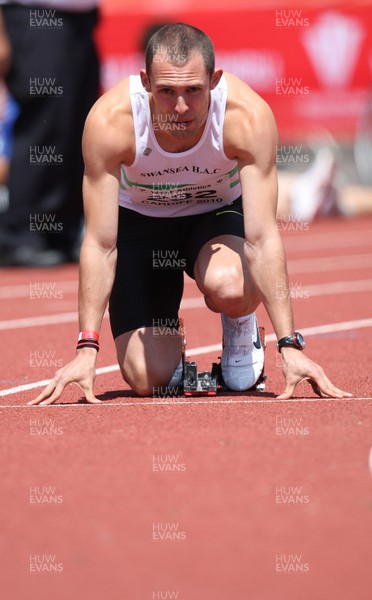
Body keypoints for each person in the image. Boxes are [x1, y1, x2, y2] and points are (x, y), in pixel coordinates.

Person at [29, 23, 352, 405]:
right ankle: (169, 338)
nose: (181, 108)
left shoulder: (246, 118)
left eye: (193, 91)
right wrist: (86, 348)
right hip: (140, 225)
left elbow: (262, 237)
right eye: (166, 91)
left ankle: (240, 322)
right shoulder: (110, 123)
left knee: (228, 284)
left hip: (214, 216)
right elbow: (100, 244)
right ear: (145, 82)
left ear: (214, 81)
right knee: (147, 379)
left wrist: (290, 344)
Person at [0, 0, 100, 266]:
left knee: (78, 126)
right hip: (34, 16)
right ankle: (21, 235)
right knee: (46, 124)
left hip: (82, 18)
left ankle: (60, 234)